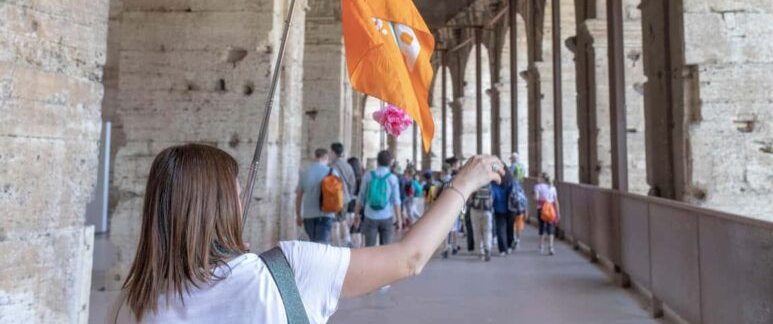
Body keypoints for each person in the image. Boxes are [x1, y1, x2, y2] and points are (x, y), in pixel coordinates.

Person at [110, 143, 503, 323]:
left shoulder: (132, 304)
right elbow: (409, 258)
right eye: (237, 193)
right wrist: (462, 185)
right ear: (223, 205)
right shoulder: (289, 272)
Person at [355, 150, 403, 247]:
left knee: (369, 247)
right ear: (390, 163)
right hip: (386, 217)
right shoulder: (392, 178)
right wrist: (399, 219)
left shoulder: (368, 176)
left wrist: (356, 214)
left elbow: (361, 197)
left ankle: (370, 262)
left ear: (377, 161)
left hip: (370, 216)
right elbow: (396, 201)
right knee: (385, 248)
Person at [296, 148, 337, 244]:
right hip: (326, 214)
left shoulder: (305, 173)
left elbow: (299, 196)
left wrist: (298, 215)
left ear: (315, 156)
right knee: (322, 245)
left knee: (312, 243)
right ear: (326, 157)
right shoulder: (331, 172)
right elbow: (338, 195)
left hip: (308, 215)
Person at [330, 142, 356, 247]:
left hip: (335, 199)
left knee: (335, 223)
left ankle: (337, 246)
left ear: (333, 152)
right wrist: (348, 195)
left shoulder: (331, 166)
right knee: (343, 219)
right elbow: (352, 183)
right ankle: (347, 240)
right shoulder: (348, 166)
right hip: (345, 199)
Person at [491, 165, 516, 256]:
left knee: (500, 229)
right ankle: (509, 246)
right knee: (510, 228)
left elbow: (492, 195)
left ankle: (502, 249)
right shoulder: (511, 180)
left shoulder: (494, 182)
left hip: (499, 208)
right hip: (511, 208)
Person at [535, 173, 560, 255]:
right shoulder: (552, 187)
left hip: (541, 209)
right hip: (551, 209)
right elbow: (556, 201)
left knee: (541, 227)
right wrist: (558, 213)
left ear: (542, 179)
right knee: (550, 228)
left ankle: (541, 246)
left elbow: (536, 198)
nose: (537, 178)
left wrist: (534, 195)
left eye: (539, 177)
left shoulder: (537, 187)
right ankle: (551, 247)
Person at [468, 183, 494, 261]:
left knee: (477, 231)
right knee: (487, 231)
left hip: (475, 211)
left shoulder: (474, 185)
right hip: (487, 212)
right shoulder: (489, 186)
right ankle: (487, 248)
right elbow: (493, 199)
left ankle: (480, 251)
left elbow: (470, 200)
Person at [347, 156, 364, 248]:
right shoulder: (362, 178)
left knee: (349, 229)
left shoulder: (348, 178)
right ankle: (358, 250)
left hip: (349, 206)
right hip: (359, 207)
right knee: (357, 230)